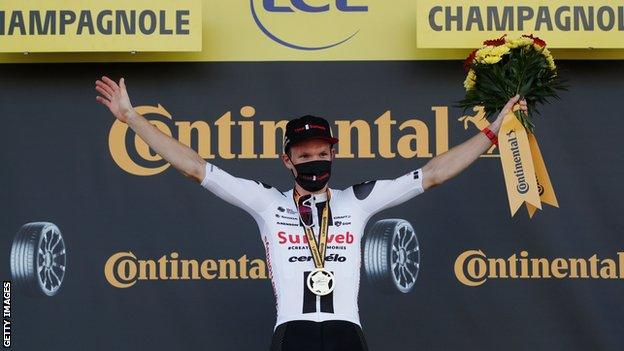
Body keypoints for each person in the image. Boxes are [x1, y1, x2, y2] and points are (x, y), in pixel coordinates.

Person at [95, 76, 528, 351]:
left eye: (322, 152)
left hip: (346, 334)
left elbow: (432, 174)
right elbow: (194, 167)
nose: (315, 161)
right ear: (287, 160)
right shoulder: (268, 202)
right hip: (292, 335)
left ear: (334, 154)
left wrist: (492, 130)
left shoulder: (358, 200)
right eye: (304, 155)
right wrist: (131, 117)